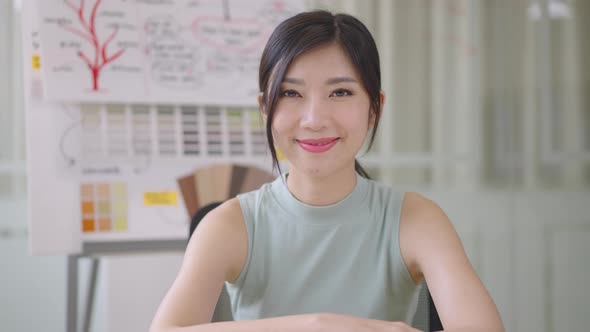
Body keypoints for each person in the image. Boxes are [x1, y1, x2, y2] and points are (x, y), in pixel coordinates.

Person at [150, 10, 504, 332]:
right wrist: (316, 325)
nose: (315, 119)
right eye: (291, 93)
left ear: (374, 109)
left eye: (340, 92)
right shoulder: (230, 224)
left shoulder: (416, 218)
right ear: (265, 108)